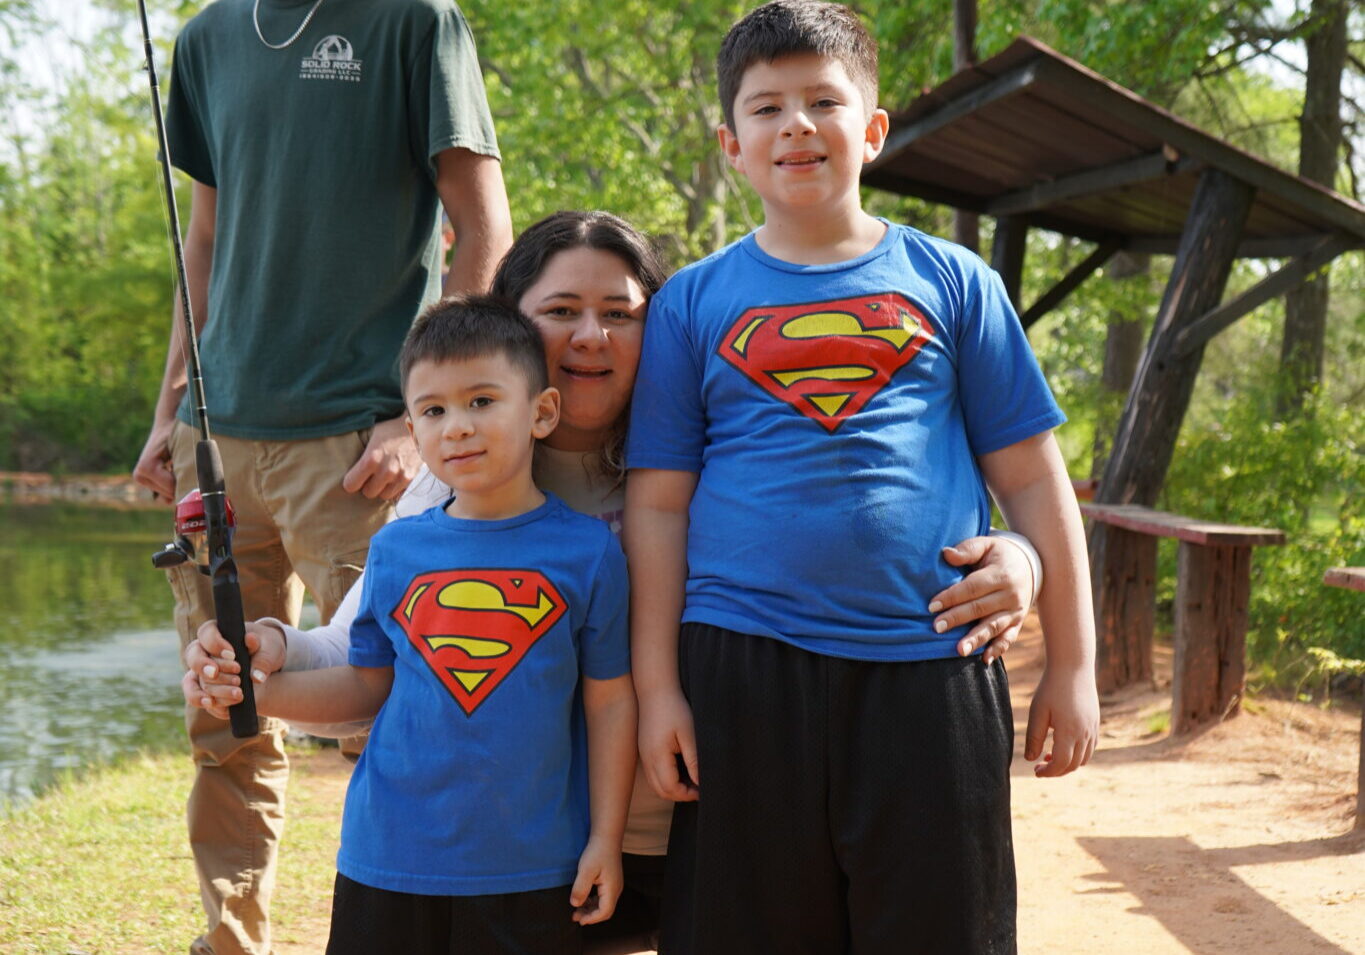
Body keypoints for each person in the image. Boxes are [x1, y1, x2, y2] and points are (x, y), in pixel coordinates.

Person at [184, 211, 1044, 953]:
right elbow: (368, 653)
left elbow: (850, 512)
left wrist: (1017, 556)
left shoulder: (717, 454)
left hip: (713, 829)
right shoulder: (447, 488)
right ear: (510, 325)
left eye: (619, 314)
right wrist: (271, 651)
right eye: (560, 311)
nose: (589, 337)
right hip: (527, 855)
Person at [624, 3, 1101, 953]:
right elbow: (658, 505)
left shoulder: (955, 283)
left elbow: (1034, 479)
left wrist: (1074, 664)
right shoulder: (690, 303)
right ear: (731, 144)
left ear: (873, 129)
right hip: (740, 666)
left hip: (932, 662)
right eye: (766, 108)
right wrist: (659, 688)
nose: (795, 125)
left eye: (823, 101)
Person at [131, 3, 514, 953]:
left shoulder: (415, 22)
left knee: (389, 715)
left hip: (358, 449)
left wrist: (417, 415)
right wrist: (171, 406)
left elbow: (483, 229)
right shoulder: (206, 39)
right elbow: (205, 238)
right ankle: (231, 941)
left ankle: (413, 932)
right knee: (224, 709)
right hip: (217, 440)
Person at [233, 297, 636, 954]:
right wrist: (255, 691)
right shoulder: (395, 549)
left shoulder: (588, 552)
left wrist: (605, 839)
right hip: (385, 858)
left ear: (541, 412)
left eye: (482, 401)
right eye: (433, 410)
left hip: (533, 869)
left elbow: (611, 701)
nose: (457, 427)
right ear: (412, 430)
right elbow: (366, 686)